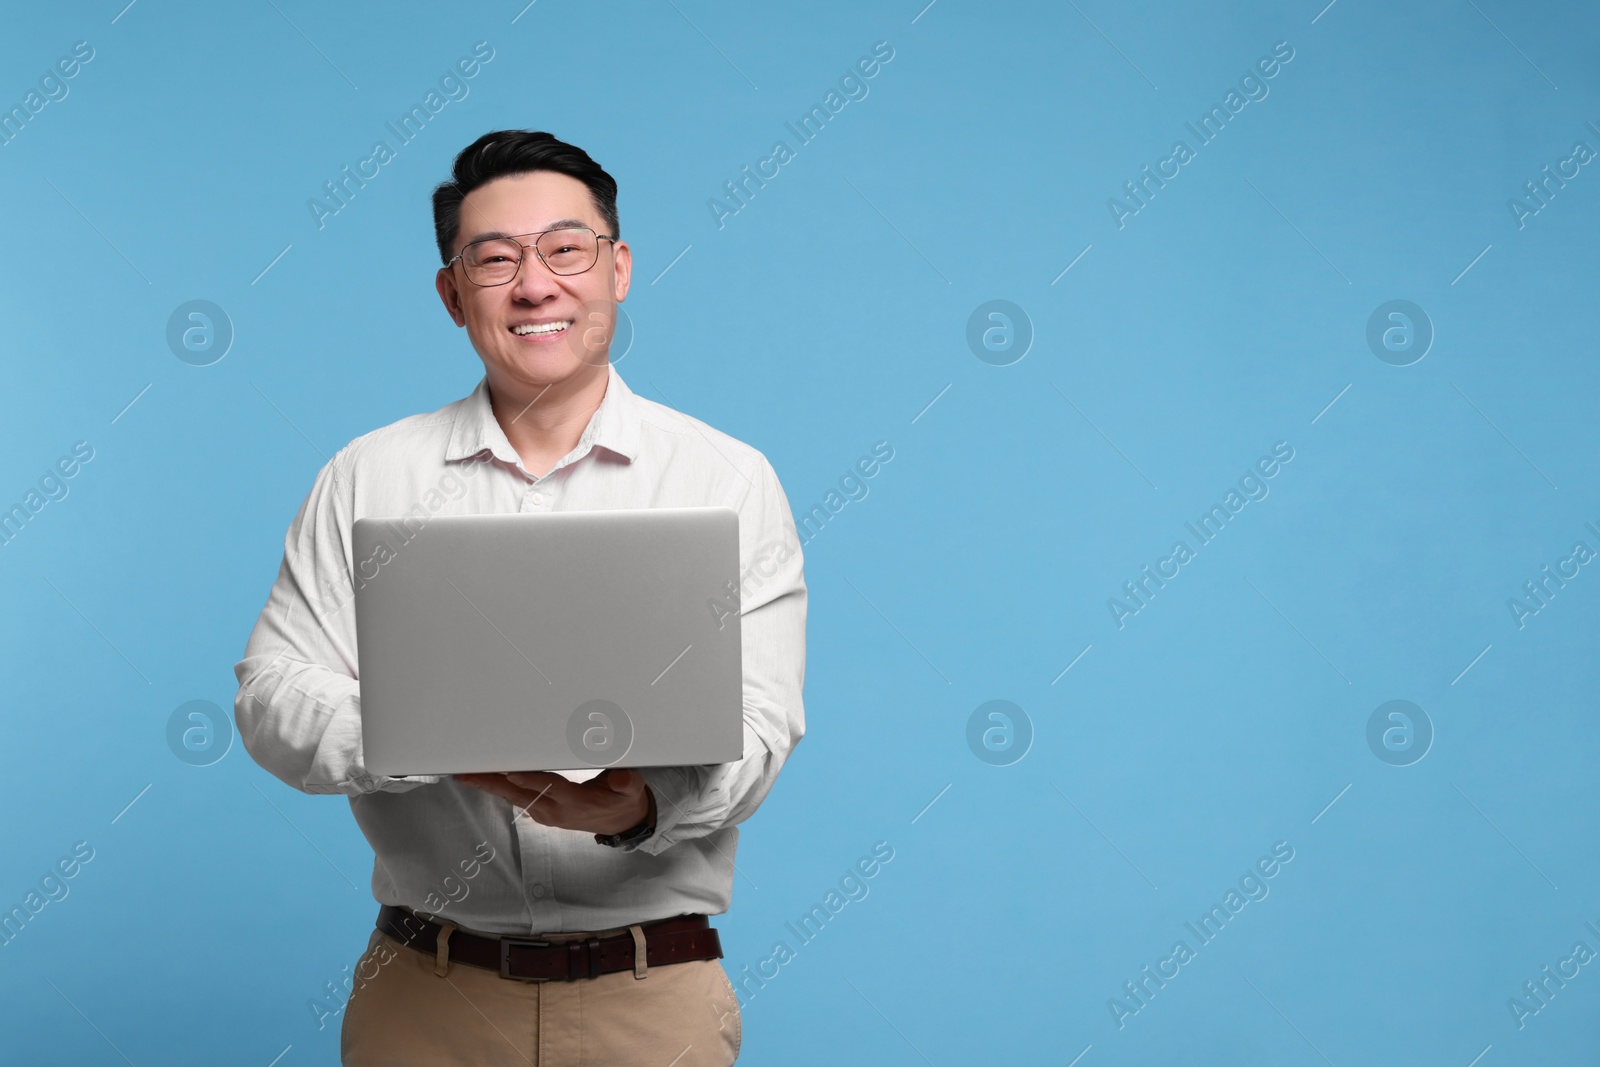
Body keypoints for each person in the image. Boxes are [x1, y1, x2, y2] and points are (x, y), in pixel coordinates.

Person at [232, 129, 808, 1066]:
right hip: (427, 1000)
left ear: (617, 268)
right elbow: (270, 697)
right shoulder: (369, 476)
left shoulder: (726, 478)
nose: (534, 284)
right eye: (494, 259)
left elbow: (762, 725)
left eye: (565, 249)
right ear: (452, 294)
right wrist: (420, 730)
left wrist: (633, 809)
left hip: (652, 1001)